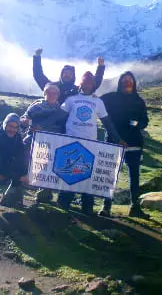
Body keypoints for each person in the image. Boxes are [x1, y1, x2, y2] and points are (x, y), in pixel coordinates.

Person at [57, 71, 125, 216]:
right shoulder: (71, 99)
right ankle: (63, 207)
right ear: (80, 83)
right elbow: (59, 118)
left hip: (90, 145)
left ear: (93, 85)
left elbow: (107, 122)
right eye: (85, 82)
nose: (87, 85)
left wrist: (118, 139)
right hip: (71, 143)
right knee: (68, 174)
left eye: (90, 83)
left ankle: (87, 210)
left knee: (86, 176)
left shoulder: (98, 102)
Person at [102, 71, 151, 219]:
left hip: (134, 144)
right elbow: (95, 103)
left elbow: (145, 121)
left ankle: (134, 207)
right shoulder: (110, 98)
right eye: (124, 80)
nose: (127, 82)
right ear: (120, 82)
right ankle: (106, 207)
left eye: (130, 80)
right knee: (110, 176)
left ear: (134, 83)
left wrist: (137, 124)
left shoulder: (139, 101)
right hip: (113, 142)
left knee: (134, 176)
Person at [23, 83, 68, 203]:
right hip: (34, 140)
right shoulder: (35, 107)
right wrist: (26, 122)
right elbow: (24, 118)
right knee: (22, 159)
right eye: (49, 92)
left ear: (58, 95)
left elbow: (65, 127)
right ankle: (15, 189)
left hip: (52, 143)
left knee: (49, 167)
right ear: (44, 94)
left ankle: (45, 193)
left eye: (55, 93)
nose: (52, 95)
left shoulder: (62, 110)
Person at [32, 49, 106, 97]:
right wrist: (37, 57)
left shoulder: (77, 90)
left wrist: (101, 67)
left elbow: (93, 84)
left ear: (73, 77)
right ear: (61, 75)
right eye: (65, 73)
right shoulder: (51, 87)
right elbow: (38, 76)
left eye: (70, 73)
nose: (67, 75)